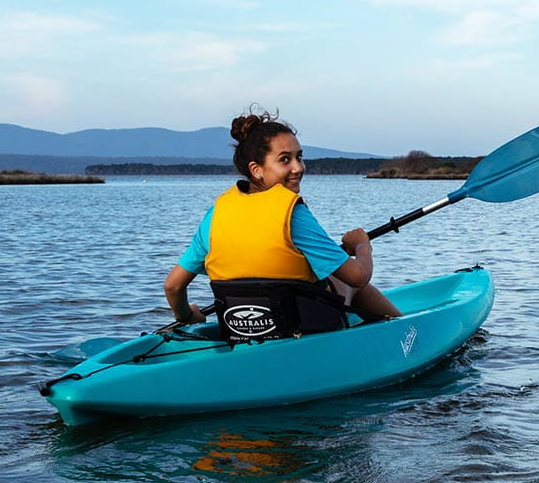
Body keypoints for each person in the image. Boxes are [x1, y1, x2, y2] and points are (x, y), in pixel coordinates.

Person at [164, 109, 400, 340]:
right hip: (305, 329)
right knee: (345, 281)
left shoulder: (216, 215)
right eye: (285, 159)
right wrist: (362, 246)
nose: (298, 167)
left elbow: (173, 286)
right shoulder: (293, 213)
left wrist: (187, 316)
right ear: (256, 170)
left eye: (299, 157)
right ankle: (403, 331)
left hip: (241, 329)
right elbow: (358, 277)